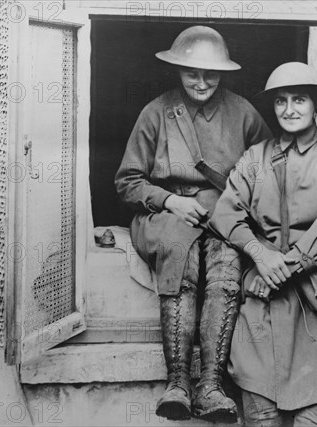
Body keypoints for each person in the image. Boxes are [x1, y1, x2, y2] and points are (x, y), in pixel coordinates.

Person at [209, 62, 317, 426]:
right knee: (261, 415)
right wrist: (259, 254)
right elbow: (224, 213)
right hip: (265, 306)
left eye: (300, 100)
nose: (289, 110)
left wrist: (281, 267)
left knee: (314, 418)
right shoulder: (256, 157)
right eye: (281, 101)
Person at [114, 26, 271, 422]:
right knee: (177, 249)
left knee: (227, 260)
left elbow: (268, 173)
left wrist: (238, 211)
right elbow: (127, 182)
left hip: (223, 215)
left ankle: (211, 386)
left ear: (223, 74)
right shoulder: (156, 112)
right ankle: (178, 382)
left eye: (210, 74)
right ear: (177, 70)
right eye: (191, 73)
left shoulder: (243, 114)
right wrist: (170, 200)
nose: (201, 82)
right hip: (165, 213)